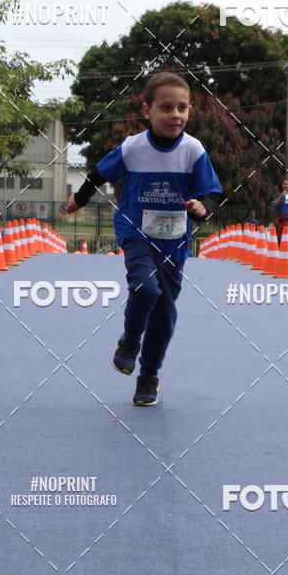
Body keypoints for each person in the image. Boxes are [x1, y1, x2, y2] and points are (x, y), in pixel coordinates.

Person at [67, 72, 222, 406]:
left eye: (182, 108)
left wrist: (201, 207)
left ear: (190, 110)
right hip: (136, 230)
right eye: (166, 107)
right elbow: (99, 173)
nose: (175, 115)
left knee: (165, 312)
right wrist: (78, 200)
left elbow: (212, 194)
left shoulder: (194, 150)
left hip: (175, 240)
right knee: (145, 287)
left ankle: (148, 375)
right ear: (147, 110)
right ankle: (130, 341)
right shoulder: (133, 148)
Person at [271, 178, 288, 244]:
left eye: (287, 184)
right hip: (280, 217)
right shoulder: (277, 195)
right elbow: (274, 204)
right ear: (281, 185)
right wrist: (281, 196)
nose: (286, 185)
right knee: (279, 235)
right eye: (284, 184)